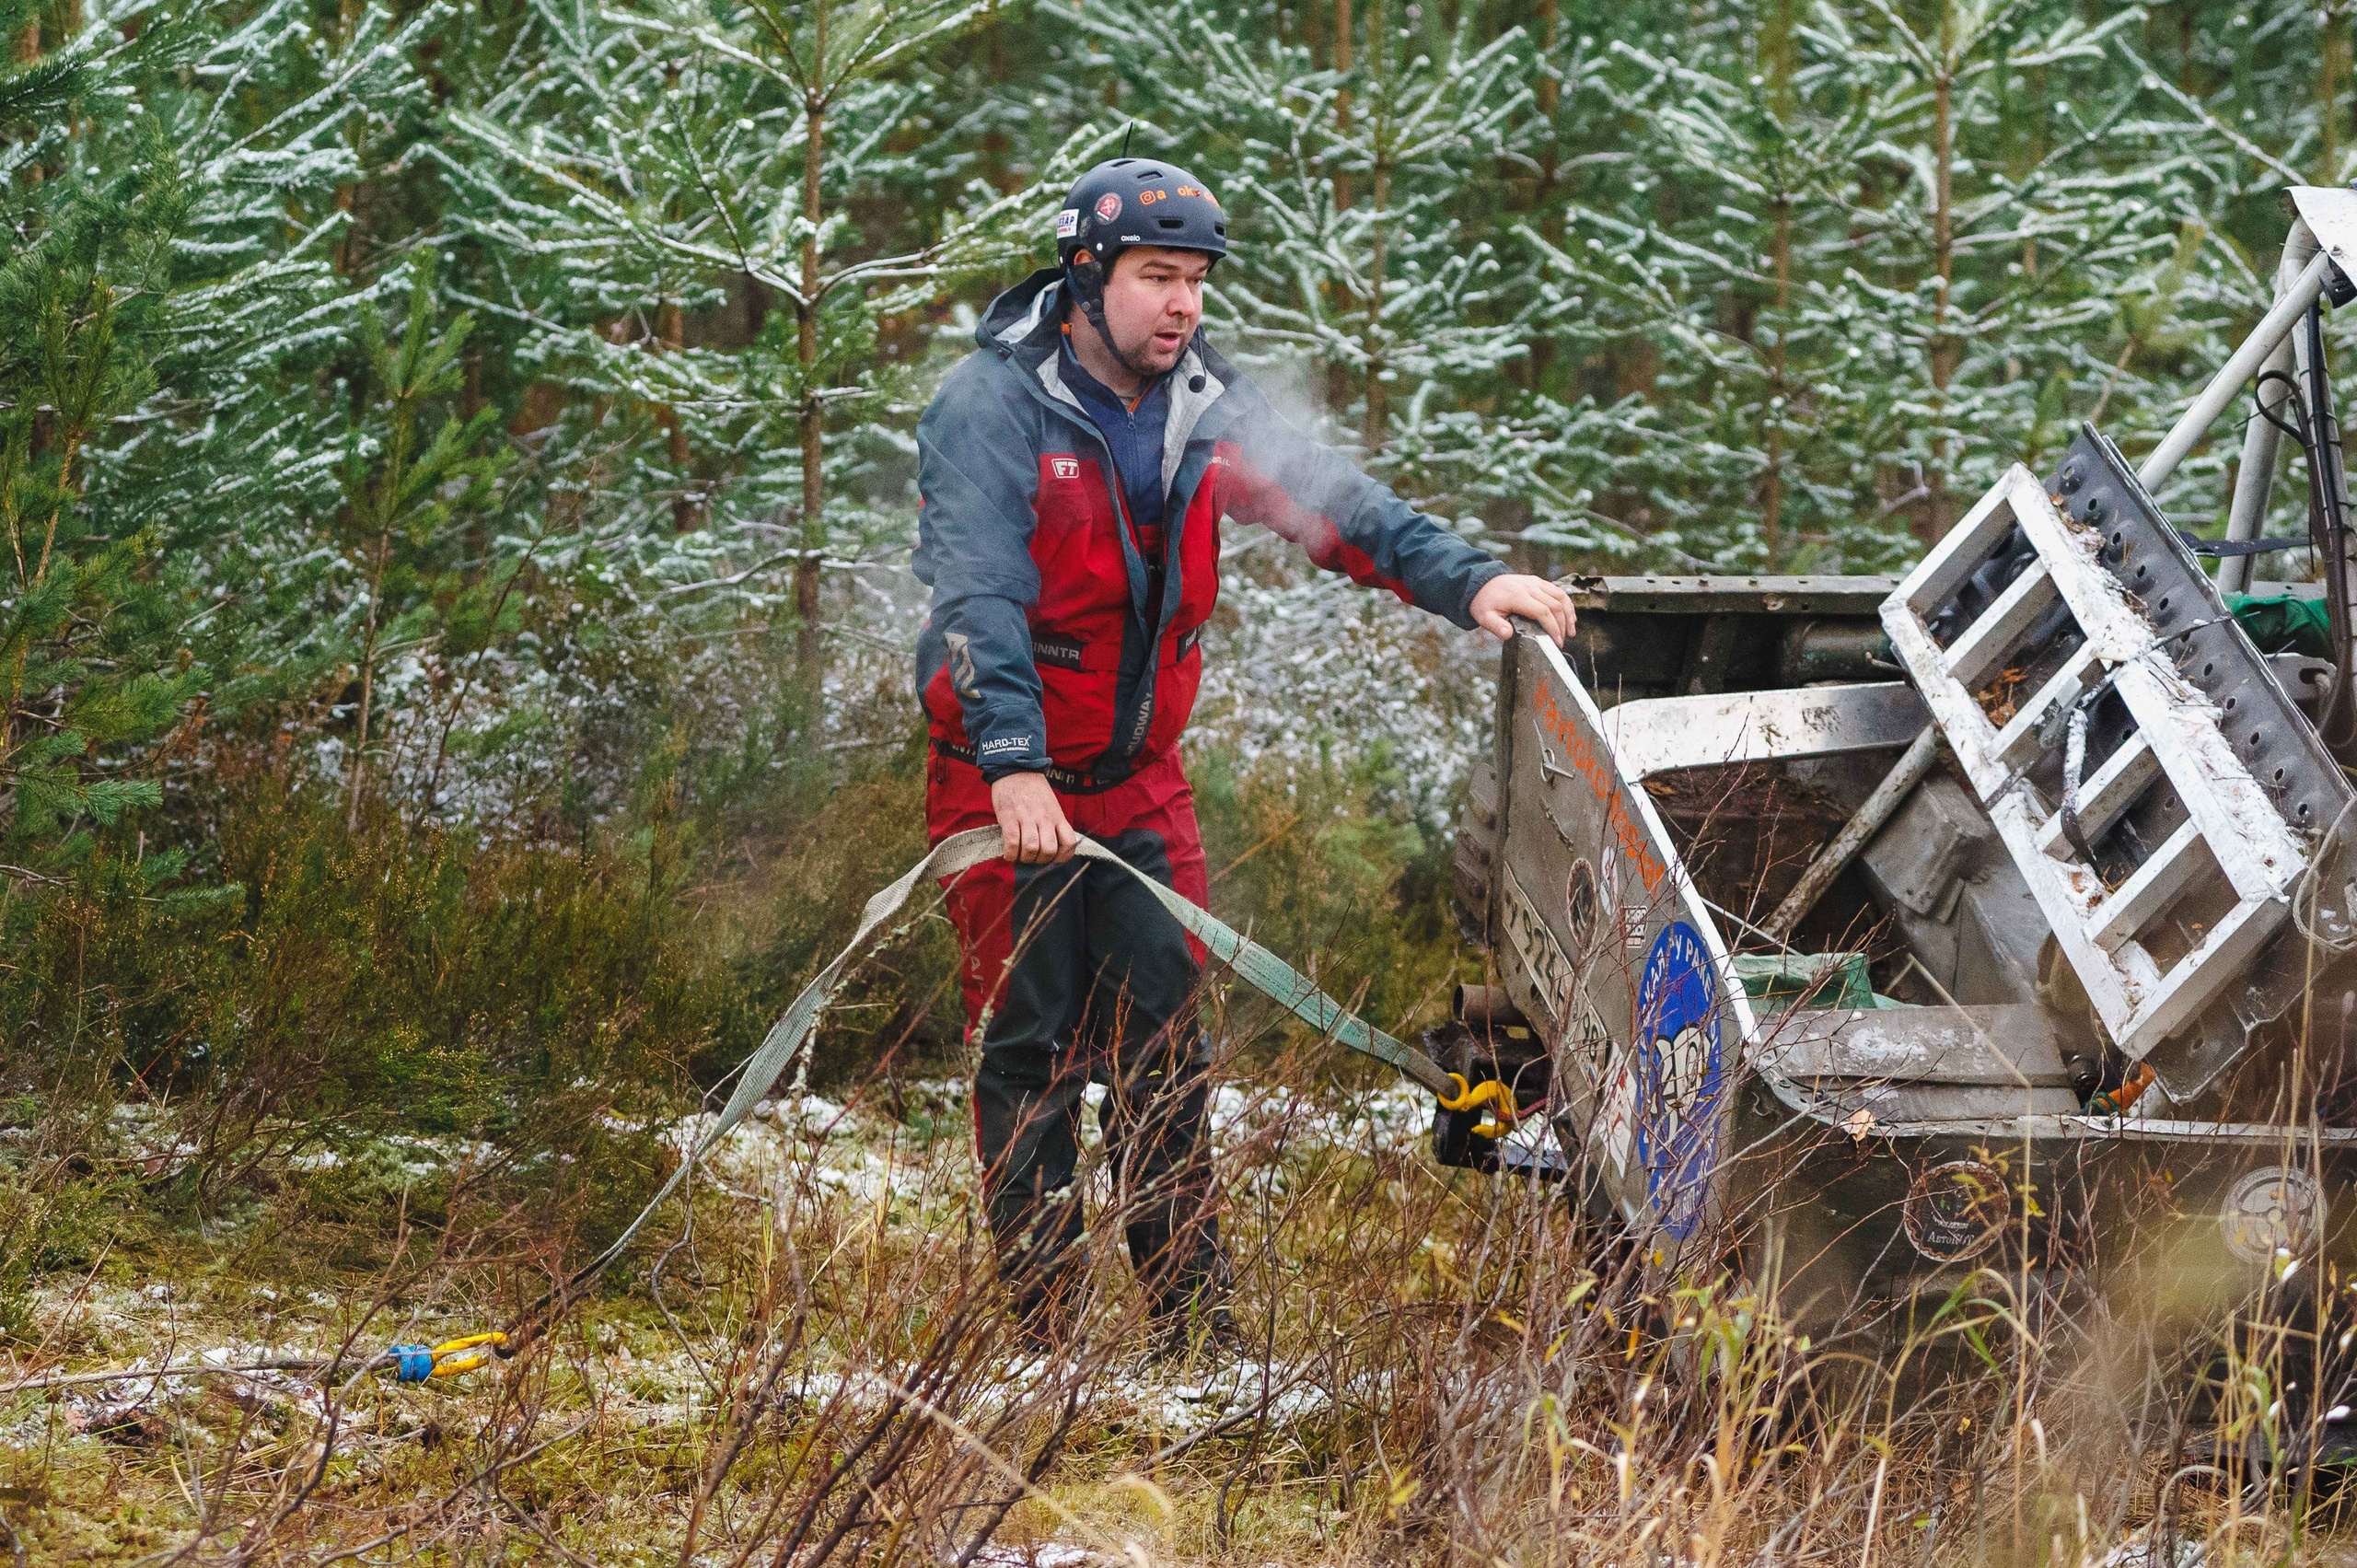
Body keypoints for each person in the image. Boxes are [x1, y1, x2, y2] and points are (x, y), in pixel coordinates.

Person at [911, 156, 1576, 1354]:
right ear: (1086, 274)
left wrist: (1473, 582)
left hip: (1140, 787)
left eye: (1197, 280)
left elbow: (1346, 508)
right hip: (1004, 780)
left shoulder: (1205, 406)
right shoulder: (991, 403)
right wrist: (1014, 764)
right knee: (1034, 1055)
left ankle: (1196, 1336)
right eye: (1157, 277)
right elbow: (976, 595)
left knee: (1167, 1056)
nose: (1183, 304)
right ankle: (1043, 1343)